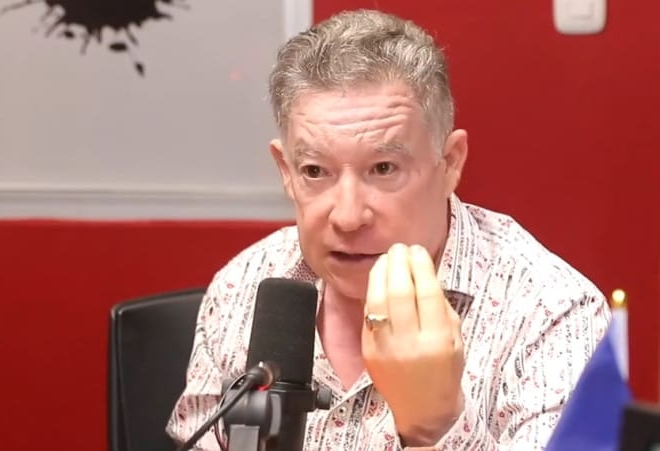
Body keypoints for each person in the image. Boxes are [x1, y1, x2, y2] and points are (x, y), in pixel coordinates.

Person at [167, 8, 610, 450]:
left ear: (449, 163)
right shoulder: (242, 285)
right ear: (286, 171)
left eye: (383, 168)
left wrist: (435, 425)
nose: (347, 217)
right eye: (315, 171)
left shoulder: (552, 314)